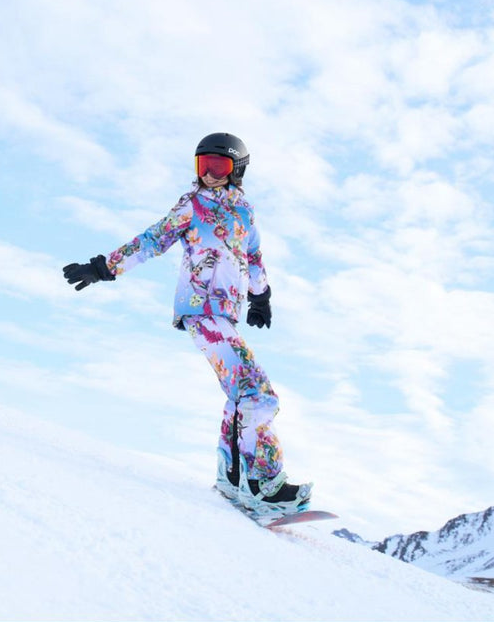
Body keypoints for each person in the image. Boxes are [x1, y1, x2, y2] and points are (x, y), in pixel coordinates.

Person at [62, 132, 311, 516]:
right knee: (258, 392)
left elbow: (253, 255)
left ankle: (232, 479)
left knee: (240, 394)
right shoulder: (192, 205)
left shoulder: (245, 212)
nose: (209, 174)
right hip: (201, 308)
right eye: (203, 165)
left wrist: (260, 297)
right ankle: (264, 485)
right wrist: (103, 268)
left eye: (218, 166)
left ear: (237, 170)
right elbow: (152, 239)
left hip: (224, 314)